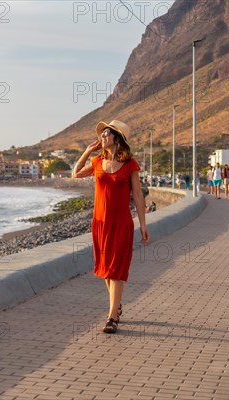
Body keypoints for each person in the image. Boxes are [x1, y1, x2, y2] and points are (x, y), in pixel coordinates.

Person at [72, 120, 150, 334]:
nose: (102, 136)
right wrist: (87, 151)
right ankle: (116, 307)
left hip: (121, 224)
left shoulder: (130, 164)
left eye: (106, 133)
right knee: (106, 270)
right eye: (102, 134)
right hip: (100, 224)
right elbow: (75, 173)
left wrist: (143, 224)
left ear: (117, 138)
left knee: (116, 270)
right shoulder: (97, 162)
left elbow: (138, 197)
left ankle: (112, 317)